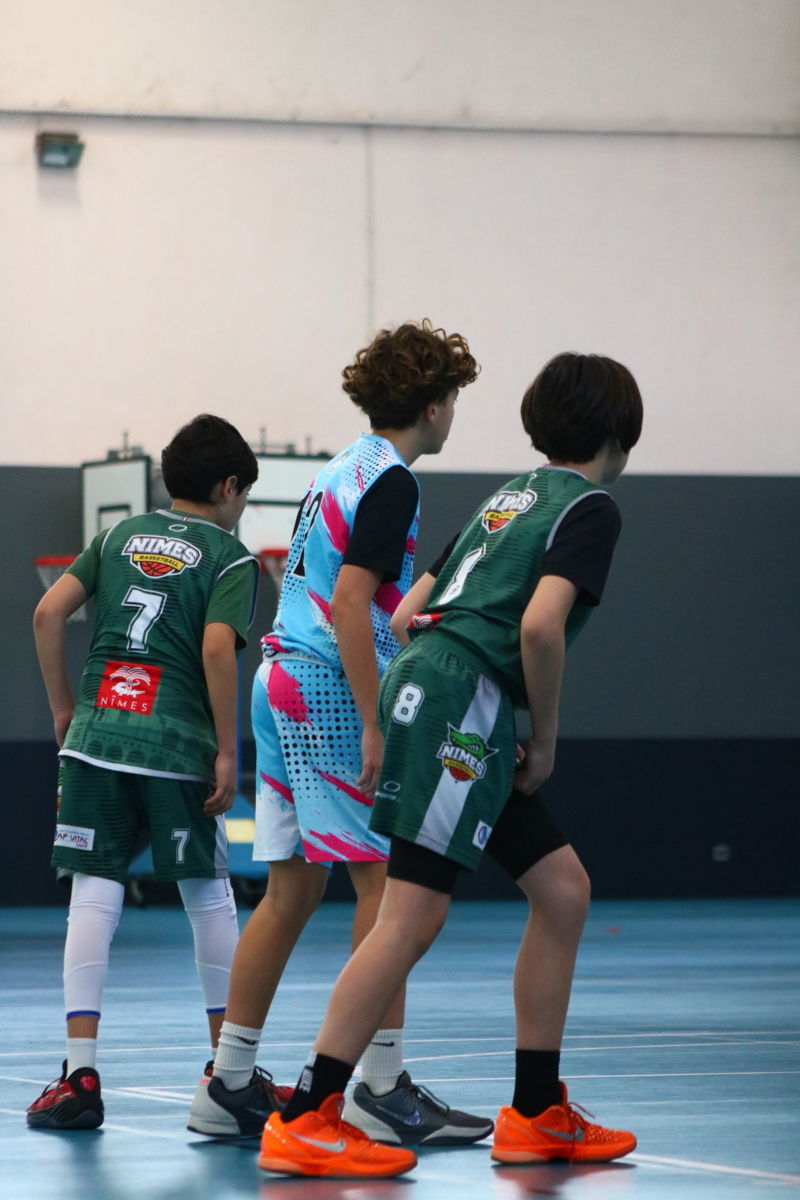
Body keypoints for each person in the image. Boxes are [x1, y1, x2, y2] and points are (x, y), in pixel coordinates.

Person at [255, 351, 644, 1178]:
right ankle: (306, 1115)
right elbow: (539, 627)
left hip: (443, 693)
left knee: (563, 891)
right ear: (621, 433)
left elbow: (405, 614)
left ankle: (535, 1111)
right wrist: (545, 735)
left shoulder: (508, 498)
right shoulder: (591, 508)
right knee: (410, 918)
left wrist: (448, 686)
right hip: (465, 709)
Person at [188, 321, 490, 1146]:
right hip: (326, 690)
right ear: (433, 407)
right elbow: (352, 604)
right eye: (454, 397)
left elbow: (348, 596)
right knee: (386, 886)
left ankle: (229, 1083)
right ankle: (379, 1086)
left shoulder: (337, 470)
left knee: (291, 889)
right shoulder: (392, 482)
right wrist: (372, 719)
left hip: (277, 679)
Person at [27, 415, 263, 1130]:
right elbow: (218, 649)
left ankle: (79, 1074)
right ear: (228, 487)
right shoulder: (230, 558)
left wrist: (64, 710)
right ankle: (229, 1072)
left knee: (93, 895)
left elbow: (47, 614)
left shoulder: (116, 536)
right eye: (246, 495)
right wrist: (228, 751)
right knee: (208, 897)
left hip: (96, 736)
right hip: (175, 744)